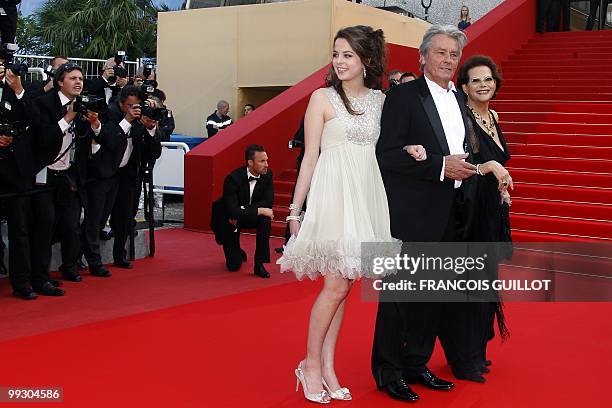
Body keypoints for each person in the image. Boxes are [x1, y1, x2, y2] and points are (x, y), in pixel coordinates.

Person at [277, 25, 423, 404]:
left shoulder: (380, 100)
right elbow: (309, 158)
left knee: (344, 286)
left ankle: (326, 365)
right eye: (336, 54)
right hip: (334, 195)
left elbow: (388, 147)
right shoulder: (321, 98)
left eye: (348, 55)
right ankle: (310, 365)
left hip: (366, 195)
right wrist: (295, 210)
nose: (339, 61)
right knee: (336, 285)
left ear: (366, 61)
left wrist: (414, 148)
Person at [372, 25, 477, 402]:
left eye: (454, 54)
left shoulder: (460, 99)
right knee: (400, 297)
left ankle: (416, 363)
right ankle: (388, 371)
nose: (448, 60)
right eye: (441, 52)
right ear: (423, 56)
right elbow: (385, 155)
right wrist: (437, 166)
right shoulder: (403, 96)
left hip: (452, 212)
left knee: (432, 295)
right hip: (412, 213)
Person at [457, 55, 512, 381]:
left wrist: (502, 184)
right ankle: (466, 358)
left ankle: (477, 351)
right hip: (469, 212)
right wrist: (488, 168)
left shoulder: (493, 115)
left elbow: (498, 160)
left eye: (488, 79)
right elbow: (462, 165)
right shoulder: (462, 119)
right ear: (464, 86)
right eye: (476, 80)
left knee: (486, 284)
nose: (483, 85)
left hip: (491, 209)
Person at [28, 63, 99, 287]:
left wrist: (94, 125)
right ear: (60, 82)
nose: (79, 82)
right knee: (44, 224)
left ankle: (68, 266)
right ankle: (39, 277)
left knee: (70, 223)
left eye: (81, 78)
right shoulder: (43, 104)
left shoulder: (83, 106)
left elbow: (91, 142)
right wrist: (67, 118)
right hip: (43, 173)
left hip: (69, 174)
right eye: (73, 78)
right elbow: (42, 139)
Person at [210, 144, 274, 278]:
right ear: (250, 163)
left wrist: (251, 210)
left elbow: (268, 202)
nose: (266, 164)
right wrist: (260, 209)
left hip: (246, 214)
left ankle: (259, 264)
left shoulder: (267, 175)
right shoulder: (233, 179)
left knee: (265, 219)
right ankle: (236, 250)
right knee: (233, 266)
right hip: (229, 219)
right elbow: (232, 211)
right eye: (262, 161)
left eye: (266, 160)